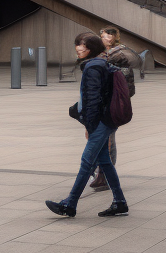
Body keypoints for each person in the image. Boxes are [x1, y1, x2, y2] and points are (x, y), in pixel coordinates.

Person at [46, 32, 128, 219]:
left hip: (100, 122)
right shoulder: (99, 64)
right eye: (77, 45)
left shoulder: (93, 68)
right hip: (106, 120)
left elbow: (92, 101)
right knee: (105, 162)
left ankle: (69, 203)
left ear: (90, 48)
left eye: (82, 46)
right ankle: (120, 202)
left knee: (87, 162)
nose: (78, 49)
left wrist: (89, 126)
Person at [87, 27, 140, 194]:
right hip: (102, 102)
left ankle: (104, 175)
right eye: (102, 35)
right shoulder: (103, 54)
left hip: (110, 102)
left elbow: (125, 83)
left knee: (107, 138)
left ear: (114, 38)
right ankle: (101, 174)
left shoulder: (119, 54)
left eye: (108, 36)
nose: (104, 38)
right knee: (99, 136)